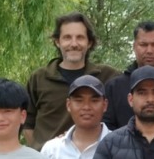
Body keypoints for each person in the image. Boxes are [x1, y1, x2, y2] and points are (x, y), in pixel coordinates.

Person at [25, 12, 118, 147]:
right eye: (67, 37)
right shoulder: (39, 78)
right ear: (58, 42)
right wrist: (39, 149)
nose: (74, 44)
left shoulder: (108, 76)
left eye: (80, 37)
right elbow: (26, 121)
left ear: (89, 42)